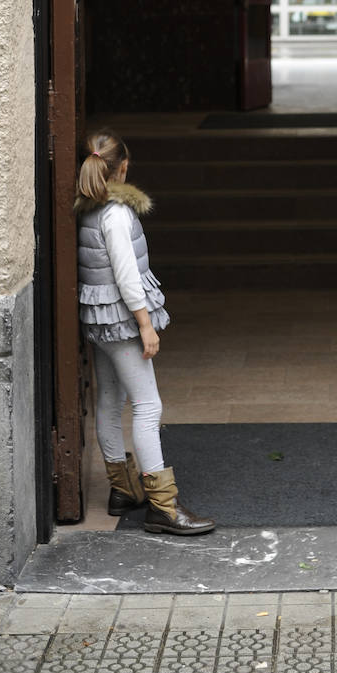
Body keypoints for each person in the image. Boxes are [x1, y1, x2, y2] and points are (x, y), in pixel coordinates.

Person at [76, 130, 215, 536]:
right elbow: (126, 276)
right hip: (121, 320)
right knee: (148, 406)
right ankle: (163, 506)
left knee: (109, 399)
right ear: (123, 167)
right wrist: (145, 324)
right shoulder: (116, 213)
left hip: (99, 319)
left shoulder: (88, 207)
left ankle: (123, 490)